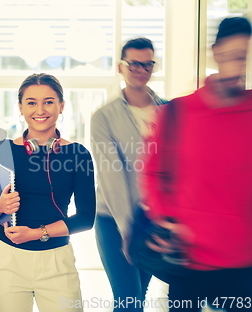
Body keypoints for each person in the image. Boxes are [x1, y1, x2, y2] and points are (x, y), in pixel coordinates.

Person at [142, 16, 252, 311]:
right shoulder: (177, 113)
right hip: (189, 261)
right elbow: (151, 174)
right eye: (230, 55)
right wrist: (167, 218)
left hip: (241, 263)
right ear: (215, 52)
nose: (236, 64)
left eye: (243, 56)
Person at [0, 73, 96, 312]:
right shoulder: (5, 149)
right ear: (21, 107)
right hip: (7, 260)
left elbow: (86, 218)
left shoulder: (78, 154)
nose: (40, 109)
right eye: (31, 102)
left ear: (61, 106)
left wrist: (35, 234)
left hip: (57, 262)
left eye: (49, 101)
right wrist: (0, 206)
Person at [90, 38, 166, 310]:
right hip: (114, 221)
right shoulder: (103, 116)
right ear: (121, 67)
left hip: (153, 221)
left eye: (147, 64)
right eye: (133, 63)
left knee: (138, 298)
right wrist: (127, 229)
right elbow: (112, 174)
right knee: (128, 300)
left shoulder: (167, 111)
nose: (140, 69)